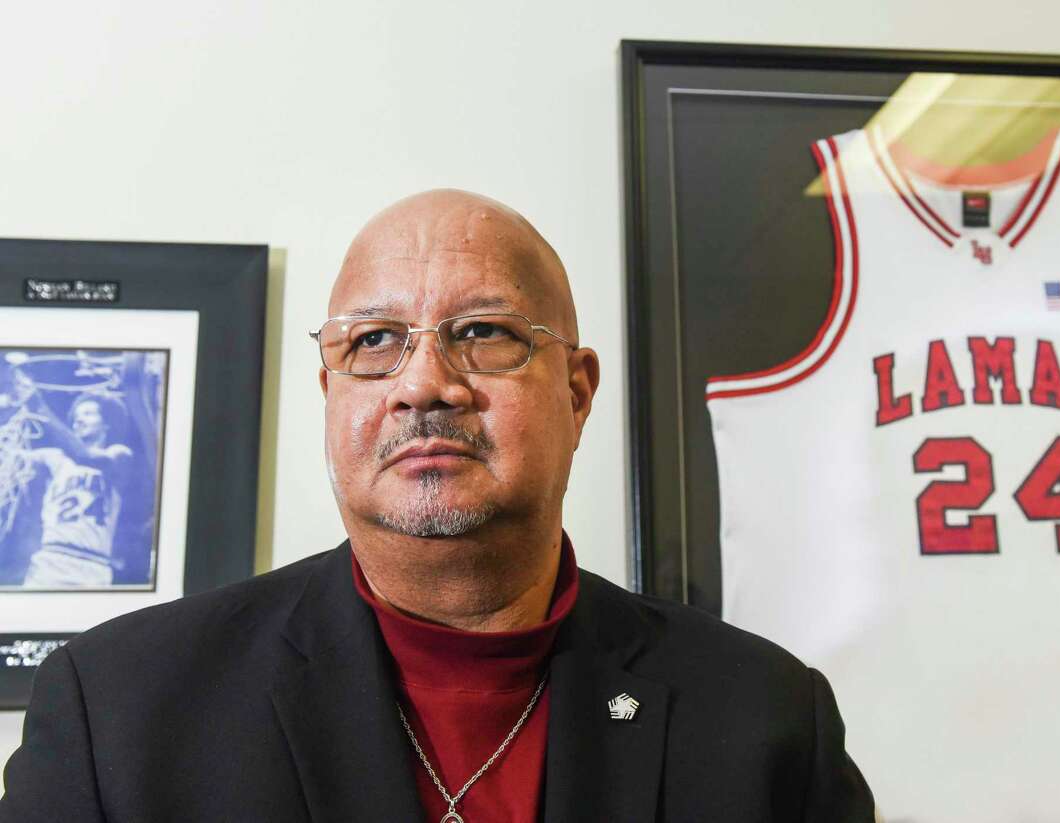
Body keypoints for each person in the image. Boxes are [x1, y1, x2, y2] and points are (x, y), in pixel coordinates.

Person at [0, 190, 875, 821]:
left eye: (484, 333)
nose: (423, 383)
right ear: (331, 393)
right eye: (374, 341)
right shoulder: (117, 712)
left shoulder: (764, 719)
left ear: (576, 393)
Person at [20, 393, 133, 588]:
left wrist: (38, 405)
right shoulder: (55, 459)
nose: (79, 419)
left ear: (106, 423)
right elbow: (15, 458)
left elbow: (86, 456)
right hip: (50, 559)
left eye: (88, 414)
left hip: (93, 566)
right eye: (76, 416)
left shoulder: (119, 455)